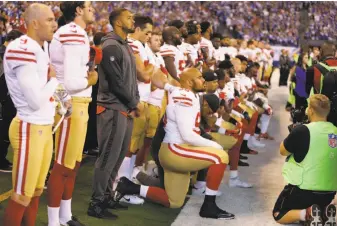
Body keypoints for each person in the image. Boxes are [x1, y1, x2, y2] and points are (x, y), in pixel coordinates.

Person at [114, 68, 236, 220]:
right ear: (190, 82)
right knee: (220, 157)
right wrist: (215, 146)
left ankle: (129, 186)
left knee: (174, 201)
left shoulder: (181, 92)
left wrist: (166, 85)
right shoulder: (185, 98)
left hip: (173, 149)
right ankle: (209, 206)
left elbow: (160, 78)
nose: (203, 80)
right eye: (199, 77)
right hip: (175, 149)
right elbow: (187, 135)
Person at [2, 3, 58, 226]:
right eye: (50, 20)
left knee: (35, 191)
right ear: (34, 23)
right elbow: (35, 101)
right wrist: (54, 80)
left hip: (42, 127)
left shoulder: (39, 47)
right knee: (22, 194)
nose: (54, 24)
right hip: (30, 126)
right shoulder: (21, 47)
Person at [47, 2, 98, 226]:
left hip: (78, 102)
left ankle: (64, 216)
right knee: (62, 164)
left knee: (73, 162)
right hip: (70, 101)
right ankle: (53, 221)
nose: (93, 10)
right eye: (89, 6)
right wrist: (91, 78)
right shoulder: (72, 33)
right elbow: (70, 82)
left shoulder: (76, 33)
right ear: (78, 10)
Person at [88, 8, 141, 219]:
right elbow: (116, 82)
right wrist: (134, 102)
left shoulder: (123, 44)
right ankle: (96, 203)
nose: (133, 19)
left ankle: (107, 196)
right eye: (129, 17)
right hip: (112, 107)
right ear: (118, 22)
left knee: (117, 157)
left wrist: (132, 102)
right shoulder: (111, 45)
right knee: (107, 157)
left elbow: (130, 79)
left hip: (123, 108)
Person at [273, 94, 337, 225]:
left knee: (278, 214)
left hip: (303, 190)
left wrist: (293, 135)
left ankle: (307, 213)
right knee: (321, 204)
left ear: (310, 110)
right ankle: (325, 212)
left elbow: (282, 151)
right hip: (329, 192)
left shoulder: (302, 130)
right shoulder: (335, 131)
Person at [114, 15, 154, 205]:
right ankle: (119, 186)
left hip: (141, 99)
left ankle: (125, 183)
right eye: (147, 32)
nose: (149, 36)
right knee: (128, 147)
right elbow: (145, 76)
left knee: (134, 146)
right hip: (134, 99)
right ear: (137, 29)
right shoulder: (134, 44)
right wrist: (151, 69)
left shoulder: (142, 47)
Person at [0, 29, 23, 172]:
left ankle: (2, 158)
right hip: (4, 100)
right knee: (3, 130)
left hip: (6, 98)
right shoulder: (3, 55)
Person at [83, 31, 105, 157]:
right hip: (94, 89)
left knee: (92, 117)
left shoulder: (91, 51)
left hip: (91, 89)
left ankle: (89, 145)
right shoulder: (97, 52)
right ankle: (89, 145)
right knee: (93, 118)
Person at [306, 41, 337, 126]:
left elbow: (306, 91)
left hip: (320, 116)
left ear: (321, 53)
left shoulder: (312, 69)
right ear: (334, 53)